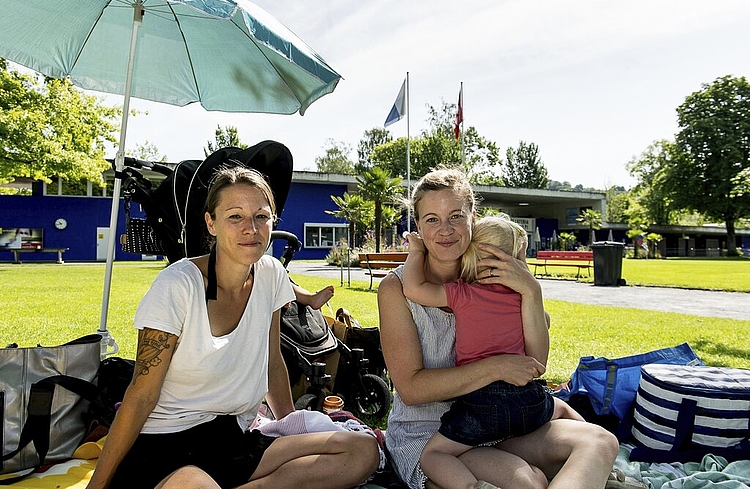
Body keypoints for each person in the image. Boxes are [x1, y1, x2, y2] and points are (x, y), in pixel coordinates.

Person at [88, 165, 378, 489]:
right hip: (167, 443)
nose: (250, 229)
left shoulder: (270, 274)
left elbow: (270, 360)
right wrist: (97, 485)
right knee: (194, 483)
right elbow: (140, 395)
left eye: (261, 216)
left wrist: (288, 424)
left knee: (362, 450)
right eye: (235, 217)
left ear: (273, 222)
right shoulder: (178, 285)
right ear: (211, 223)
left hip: (233, 440)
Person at [379, 167, 619, 489]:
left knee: (600, 442)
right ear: (418, 227)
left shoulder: (497, 277)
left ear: (472, 218)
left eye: (456, 216)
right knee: (528, 482)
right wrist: (495, 367)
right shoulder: (397, 288)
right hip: (433, 435)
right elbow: (412, 389)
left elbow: (536, 361)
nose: (445, 230)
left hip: (500, 421)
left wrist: (531, 291)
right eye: (432, 219)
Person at [402, 215, 584, 489]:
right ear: (517, 261)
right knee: (564, 410)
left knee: (434, 455)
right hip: (527, 399)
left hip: (481, 405)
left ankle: (471, 486)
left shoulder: (463, 293)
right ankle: (607, 473)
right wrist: (528, 282)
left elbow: (414, 288)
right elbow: (540, 347)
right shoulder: (522, 298)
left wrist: (416, 252)